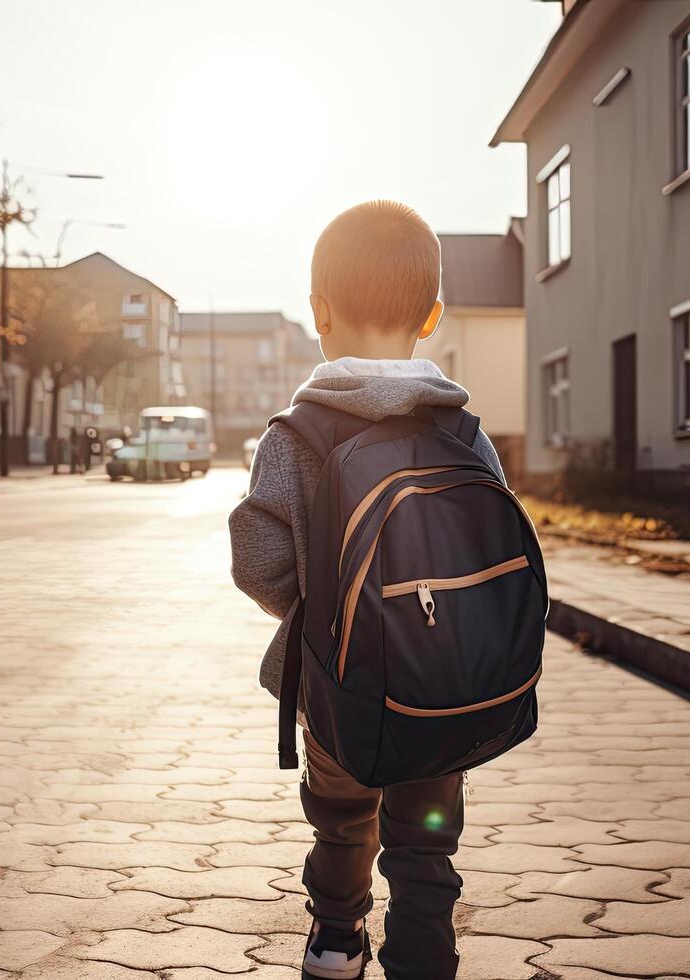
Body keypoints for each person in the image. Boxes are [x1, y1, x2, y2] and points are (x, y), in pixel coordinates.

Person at [229, 201, 504, 979]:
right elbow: (491, 548)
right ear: (433, 316)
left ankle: (337, 936)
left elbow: (255, 558)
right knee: (424, 833)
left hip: (336, 685)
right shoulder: (464, 432)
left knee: (343, 819)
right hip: (439, 690)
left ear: (319, 312)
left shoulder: (297, 433)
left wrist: (321, 614)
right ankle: (424, 953)